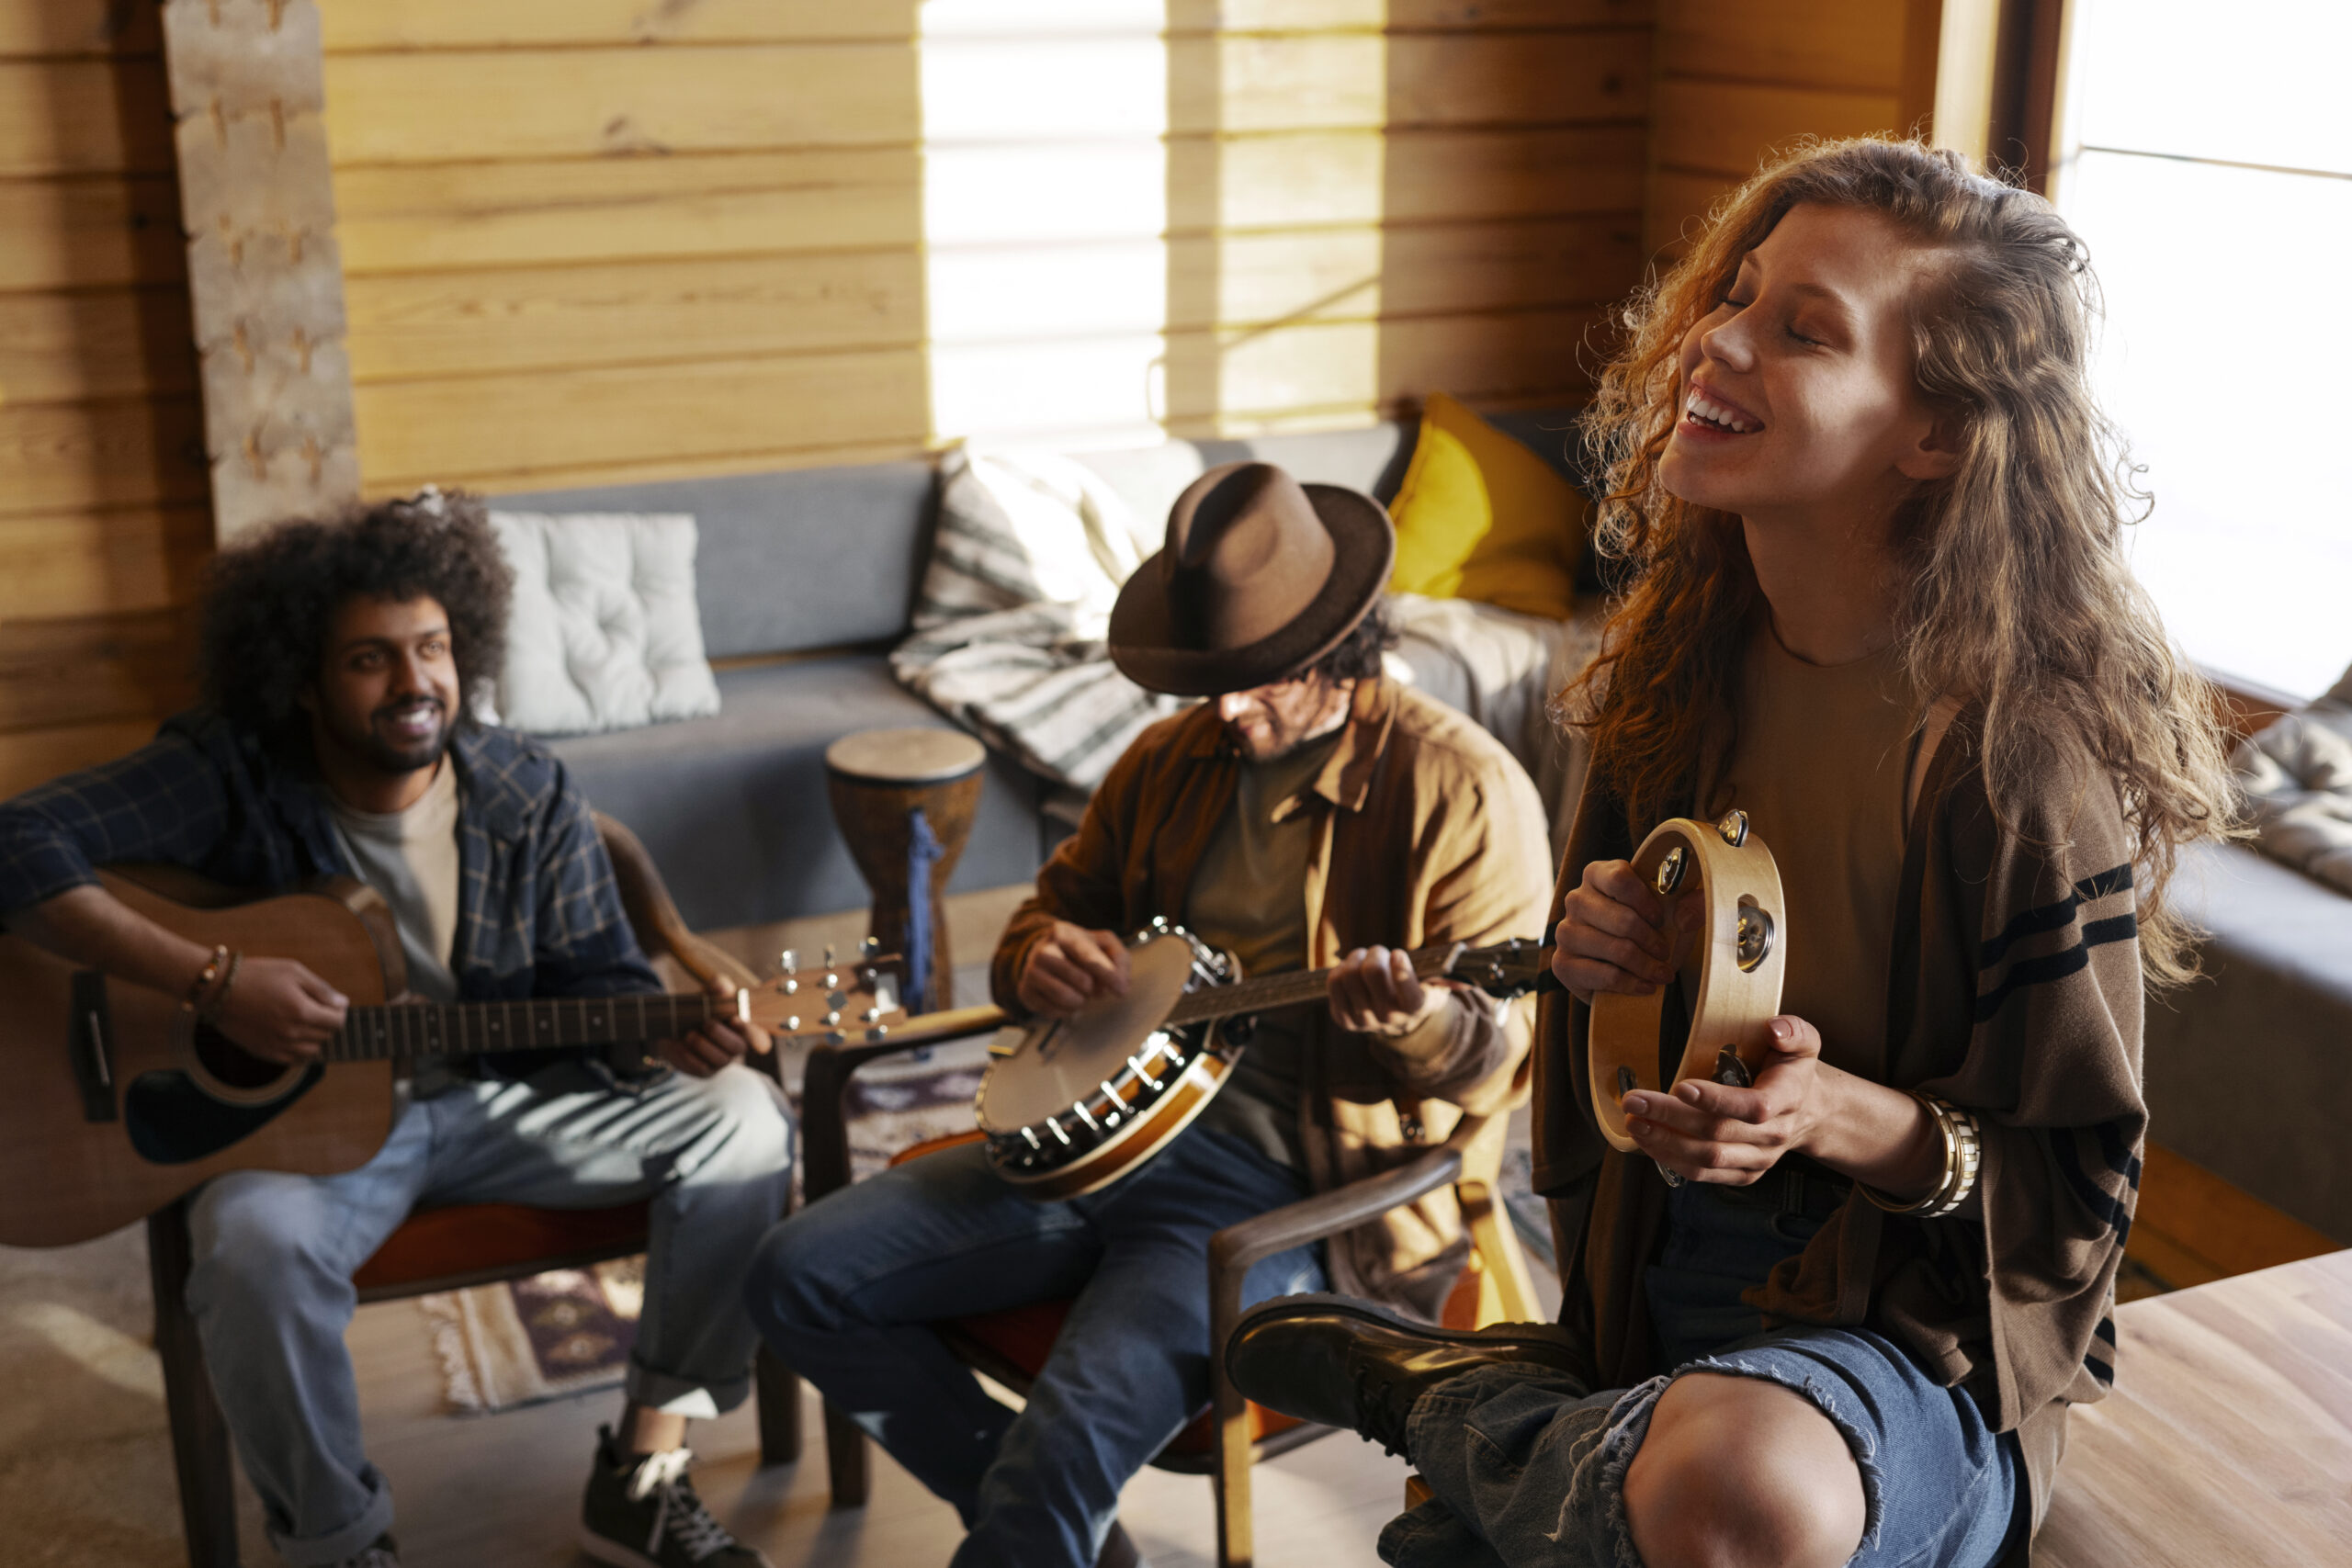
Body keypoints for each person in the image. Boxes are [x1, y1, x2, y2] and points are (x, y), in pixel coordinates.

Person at [1226, 138, 2234, 1568]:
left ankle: (1483, 1420)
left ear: (1936, 432)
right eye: (1738, 294)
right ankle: (1568, 1447)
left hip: (1913, 1355)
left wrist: (1834, 1115)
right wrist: (1600, 966)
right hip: (1663, 1288)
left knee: (1742, 1491)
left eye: (1803, 330)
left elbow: (2075, 1197)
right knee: (1679, 1484)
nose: (1720, 338)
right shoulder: (1677, 675)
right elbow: (1623, 1078)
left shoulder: (2013, 762)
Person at [742, 461, 1555, 1568]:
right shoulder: (1174, 758)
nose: (1226, 707)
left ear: (1339, 644)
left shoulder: (1460, 790)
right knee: (793, 1276)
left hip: (1293, 1194)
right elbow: (1055, 910)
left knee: (1060, 1447)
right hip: (1091, 1139)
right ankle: (1049, 1532)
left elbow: (1497, 1063)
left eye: (1259, 676)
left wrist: (1408, 1020)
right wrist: (1041, 960)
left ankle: (1037, 1525)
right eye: (1210, 677)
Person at [0, 496, 795, 1568]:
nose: (415, 684)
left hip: (499, 1097)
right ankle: (338, 1545)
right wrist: (210, 981)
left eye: (432, 649)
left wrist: (652, 1037)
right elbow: (19, 842)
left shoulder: (524, 789)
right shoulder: (229, 773)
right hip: (305, 1138)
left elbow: (601, 979)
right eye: (371, 660)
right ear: (302, 679)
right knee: (249, 1249)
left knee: (744, 1120)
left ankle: (643, 1474)